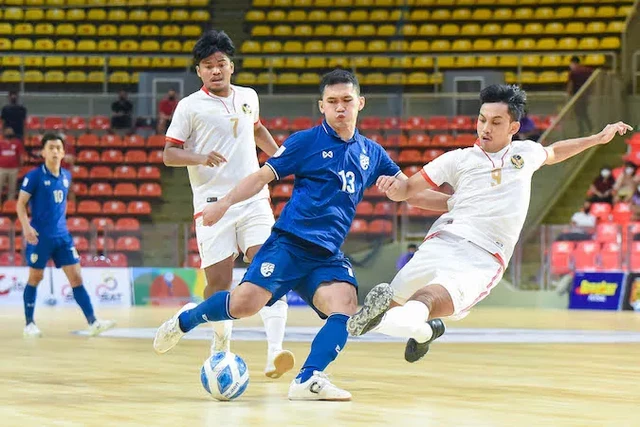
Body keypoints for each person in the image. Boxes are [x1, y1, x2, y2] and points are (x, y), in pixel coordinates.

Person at [154, 69, 450, 400]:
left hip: (326, 255)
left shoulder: (372, 153)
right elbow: (259, 177)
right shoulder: (305, 141)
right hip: (288, 245)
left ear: (360, 104)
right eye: (333, 102)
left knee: (345, 308)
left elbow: (409, 191)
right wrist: (223, 204)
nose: (340, 108)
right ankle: (186, 319)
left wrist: (453, 205)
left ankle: (307, 380)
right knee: (243, 305)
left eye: (347, 101)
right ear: (321, 106)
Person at [348, 84, 632, 363]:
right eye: (482, 120)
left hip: (484, 254)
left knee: (424, 300)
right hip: (443, 240)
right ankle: (421, 331)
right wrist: (393, 187)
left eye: (496, 122)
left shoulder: (526, 153)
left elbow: (556, 151)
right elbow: (408, 191)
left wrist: (598, 139)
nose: (486, 127)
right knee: (397, 309)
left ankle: (409, 324)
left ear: (513, 127)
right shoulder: (457, 159)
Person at [162, 30, 293, 379]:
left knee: (269, 266)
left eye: (221, 63)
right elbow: (168, 154)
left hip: (254, 199)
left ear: (231, 66)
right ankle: (221, 342)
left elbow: (257, 129)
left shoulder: (249, 96)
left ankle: (275, 351)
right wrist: (200, 157)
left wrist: (281, 158)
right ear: (199, 71)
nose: (216, 70)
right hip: (211, 204)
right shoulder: (188, 106)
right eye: (208, 66)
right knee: (218, 286)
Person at [17, 133, 115, 337]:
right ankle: (29, 324)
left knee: (76, 277)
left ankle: (93, 322)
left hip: (62, 236)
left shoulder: (66, 176)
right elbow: (20, 204)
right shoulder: (34, 176)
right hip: (40, 236)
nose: (54, 151)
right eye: (50, 147)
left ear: (63, 152)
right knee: (36, 276)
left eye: (58, 148)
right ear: (43, 152)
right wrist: (26, 227)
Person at [567, 56, 594, 135]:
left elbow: (570, 85)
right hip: (586, 96)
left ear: (574, 63)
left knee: (580, 114)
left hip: (577, 96)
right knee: (583, 113)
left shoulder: (573, 72)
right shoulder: (588, 71)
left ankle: (583, 130)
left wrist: (569, 94)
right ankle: (588, 129)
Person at [0, 126, 24, 204]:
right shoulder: (1, 143)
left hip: (13, 169)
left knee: (12, 188)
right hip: (1, 168)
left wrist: (20, 166)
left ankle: (10, 204)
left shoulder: (17, 143)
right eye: (7, 132)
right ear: (4, 133)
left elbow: (20, 156)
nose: (9, 133)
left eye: (10, 132)